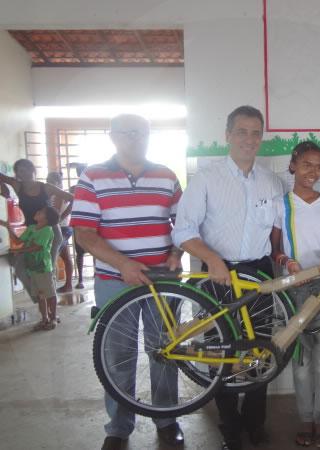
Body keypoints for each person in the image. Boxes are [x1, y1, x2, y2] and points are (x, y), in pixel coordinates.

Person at [172, 105, 283, 450]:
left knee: (260, 349)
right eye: (241, 132)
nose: (249, 139)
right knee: (221, 352)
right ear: (227, 135)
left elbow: (278, 232)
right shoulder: (207, 178)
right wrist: (211, 259)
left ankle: (255, 423)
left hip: (260, 273)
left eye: (255, 132)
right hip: (218, 275)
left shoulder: (272, 181)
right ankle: (230, 427)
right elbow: (183, 230)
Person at [70, 114, 184, 450]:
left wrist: (177, 252)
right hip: (114, 281)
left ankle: (167, 419)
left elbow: (185, 223)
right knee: (117, 356)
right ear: (113, 136)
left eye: (143, 132)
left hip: (163, 281)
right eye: (128, 132)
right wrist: (123, 264)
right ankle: (118, 428)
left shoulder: (166, 175)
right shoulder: (92, 177)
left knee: (165, 351)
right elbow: (84, 234)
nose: (137, 138)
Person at [270, 141, 320, 449]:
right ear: (293, 166)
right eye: (307, 165)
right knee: (300, 359)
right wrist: (287, 262)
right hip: (295, 290)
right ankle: (305, 419)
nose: (313, 171)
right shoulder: (281, 203)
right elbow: (274, 250)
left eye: (318, 166)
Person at [0, 159, 72, 299]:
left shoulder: (46, 187)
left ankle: (51, 314)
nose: (24, 172)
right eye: (20, 170)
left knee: (46, 271)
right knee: (20, 267)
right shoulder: (17, 185)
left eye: (26, 168)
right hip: (33, 233)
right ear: (18, 174)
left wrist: (60, 217)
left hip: (50, 233)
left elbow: (73, 198)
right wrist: (3, 187)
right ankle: (39, 299)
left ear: (33, 170)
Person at [1, 205, 60, 330]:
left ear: (47, 218)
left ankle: (53, 318)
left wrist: (19, 250)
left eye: (41, 211)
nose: (38, 211)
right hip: (32, 268)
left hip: (43, 268)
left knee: (49, 294)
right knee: (40, 295)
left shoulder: (47, 230)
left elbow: (37, 247)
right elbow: (17, 241)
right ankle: (44, 319)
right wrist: (8, 227)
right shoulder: (31, 228)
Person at [46, 171, 74, 293]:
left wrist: (61, 217)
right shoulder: (53, 194)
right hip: (61, 228)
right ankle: (68, 285)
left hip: (62, 229)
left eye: (51, 181)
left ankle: (50, 284)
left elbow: (56, 212)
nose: (48, 183)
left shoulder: (59, 194)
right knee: (66, 257)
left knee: (53, 255)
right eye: (48, 180)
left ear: (58, 183)